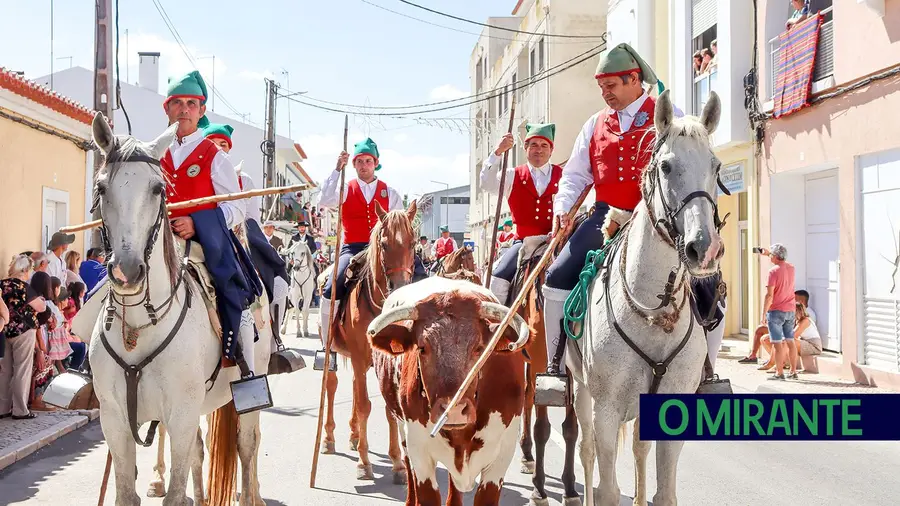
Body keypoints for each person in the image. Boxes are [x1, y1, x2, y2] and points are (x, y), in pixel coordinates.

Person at [541, 43, 683, 379]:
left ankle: (705, 372)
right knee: (556, 277)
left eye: (611, 86)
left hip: (655, 217)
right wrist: (563, 208)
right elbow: (575, 175)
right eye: (601, 87)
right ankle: (556, 367)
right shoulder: (594, 125)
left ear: (634, 79)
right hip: (604, 216)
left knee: (707, 285)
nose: (605, 94)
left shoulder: (668, 113)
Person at [159, 70, 262, 378]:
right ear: (167, 108)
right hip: (159, 243)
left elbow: (236, 207)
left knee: (235, 295)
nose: (185, 109)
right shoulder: (155, 153)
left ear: (201, 112)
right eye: (178, 103)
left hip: (208, 246)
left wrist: (198, 223)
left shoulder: (214, 157)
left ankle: (247, 374)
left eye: (192, 104)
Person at [204, 121, 290, 336]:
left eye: (223, 144)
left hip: (237, 235)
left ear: (229, 149)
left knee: (275, 279)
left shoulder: (243, 179)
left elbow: (251, 217)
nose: (218, 148)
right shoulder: (194, 176)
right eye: (211, 144)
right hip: (198, 234)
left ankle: (275, 339)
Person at [317, 138, 403, 349]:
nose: (364, 165)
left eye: (368, 161)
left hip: (383, 250)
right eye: (359, 161)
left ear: (375, 163)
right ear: (353, 165)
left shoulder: (389, 193)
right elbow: (324, 200)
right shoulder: (345, 188)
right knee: (331, 287)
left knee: (412, 278)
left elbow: (400, 226)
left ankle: (410, 337)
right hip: (353, 248)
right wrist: (337, 169)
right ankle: (328, 341)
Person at [481, 123, 562, 304]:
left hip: (557, 242)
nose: (538, 150)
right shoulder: (512, 175)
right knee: (498, 277)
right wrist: (498, 152)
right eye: (533, 145)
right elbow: (486, 183)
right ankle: (498, 324)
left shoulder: (564, 176)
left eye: (544, 145)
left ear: (551, 150)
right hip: (524, 243)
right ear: (525, 148)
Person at [0, 255, 46, 419]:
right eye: (29, 271)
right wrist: (42, 300)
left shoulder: (2, 284)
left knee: (5, 371)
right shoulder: (23, 286)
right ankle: (20, 410)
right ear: (25, 270)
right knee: (22, 370)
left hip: (4, 331)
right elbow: (40, 307)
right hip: (24, 331)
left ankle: (2, 408)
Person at [759, 243, 797, 380]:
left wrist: (763, 314)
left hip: (776, 311)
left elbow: (769, 295)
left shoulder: (773, 272)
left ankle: (779, 372)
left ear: (775, 256)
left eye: (771, 256)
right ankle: (793, 371)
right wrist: (769, 253)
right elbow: (781, 261)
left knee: (777, 342)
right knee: (790, 341)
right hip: (790, 310)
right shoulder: (791, 268)